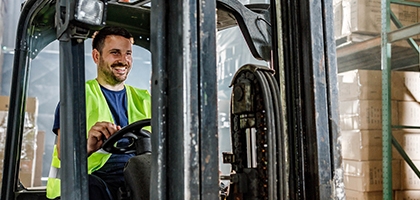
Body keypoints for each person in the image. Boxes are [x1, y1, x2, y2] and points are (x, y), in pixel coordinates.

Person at [46, 26, 151, 200]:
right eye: (115, 53)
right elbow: (62, 153)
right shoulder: (78, 97)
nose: (124, 60)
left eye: (128, 54)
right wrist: (88, 146)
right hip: (92, 181)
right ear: (96, 56)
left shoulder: (145, 99)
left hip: (136, 175)